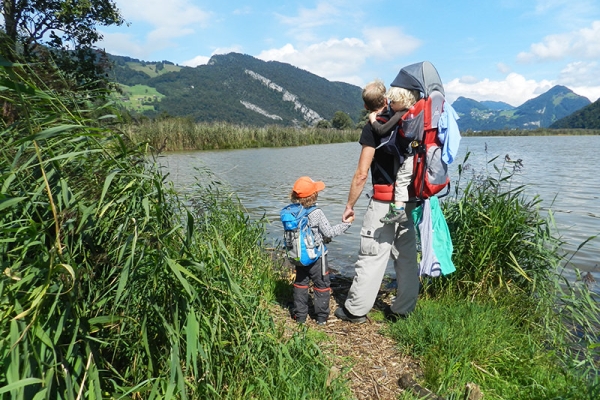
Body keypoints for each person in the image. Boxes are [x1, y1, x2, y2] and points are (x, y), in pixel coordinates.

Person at [334, 80, 420, 324]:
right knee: (405, 255)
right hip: (408, 200)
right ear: (386, 100)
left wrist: (350, 205)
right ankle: (404, 309)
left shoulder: (373, 127)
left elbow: (362, 174)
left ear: (365, 105)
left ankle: (355, 310)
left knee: (372, 254)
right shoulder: (409, 120)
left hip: (384, 201)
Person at [288, 176, 352, 325]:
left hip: (300, 255)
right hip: (317, 256)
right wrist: (346, 224)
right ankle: (321, 318)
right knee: (322, 285)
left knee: (301, 284)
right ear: (314, 195)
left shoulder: (292, 211)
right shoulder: (316, 212)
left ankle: (300, 316)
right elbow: (328, 233)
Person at [368, 86, 420, 224]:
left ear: (402, 101)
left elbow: (381, 130)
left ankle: (398, 210)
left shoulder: (400, 113)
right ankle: (406, 207)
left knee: (401, 180)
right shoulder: (413, 111)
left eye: (393, 102)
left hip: (410, 156)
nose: (390, 104)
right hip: (418, 155)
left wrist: (373, 119)